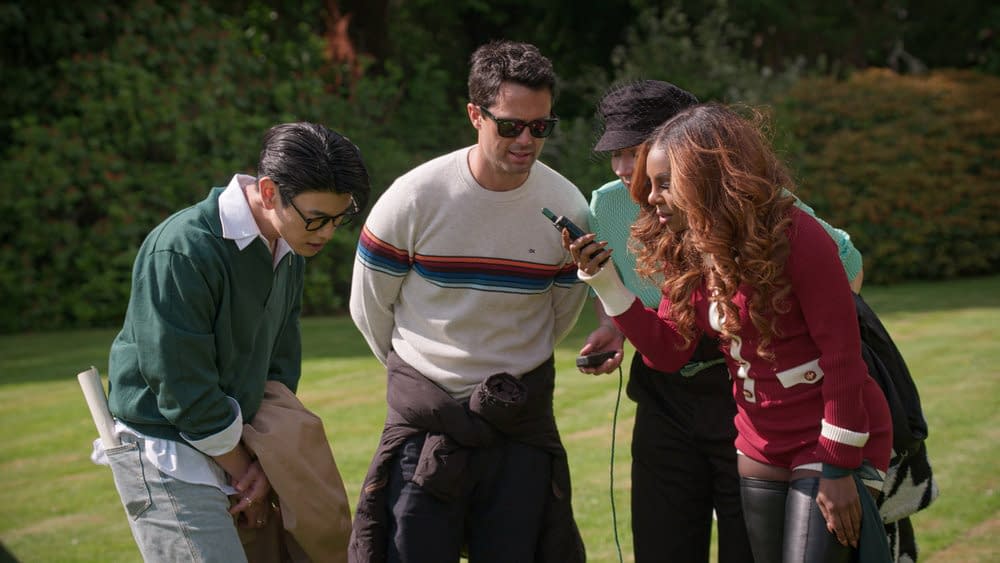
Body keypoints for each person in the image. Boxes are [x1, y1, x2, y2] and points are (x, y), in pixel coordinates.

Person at [569, 103, 893, 562]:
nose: (651, 198)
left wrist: (839, 468)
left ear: (706, 178)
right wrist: (605, 283)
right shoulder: (689, 247)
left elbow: (842, 357)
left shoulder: (796, 234)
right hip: (759, 443)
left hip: (826, 440)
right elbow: (669, 351)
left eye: (664, 184)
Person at [348, 40, 589, 563]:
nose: (526, 140)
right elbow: (369, 307)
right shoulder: (413, 197)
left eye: (540, 127)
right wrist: (427, 376)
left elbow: (561, 314)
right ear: (475, 115)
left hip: (518, 419)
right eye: (511, 125)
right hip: (426, 421)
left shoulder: (569, 207)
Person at [94, 122, 371, 561]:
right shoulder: (183, 248)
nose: (326, 234)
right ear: (269, 192)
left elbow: (279, 365)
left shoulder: (289, 248)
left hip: (239, 448)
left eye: (338, 220)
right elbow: (180, 383)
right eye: (316, 219)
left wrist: (265, 460)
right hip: (165, 449)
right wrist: (246, 469)